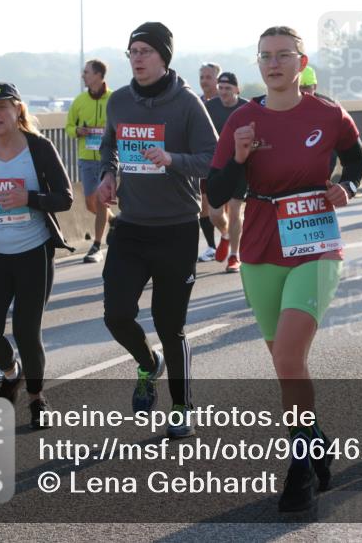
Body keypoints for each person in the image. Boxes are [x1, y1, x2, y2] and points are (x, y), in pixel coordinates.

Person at [208, 25, 362, 511]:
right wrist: (238, 156)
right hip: (259, 245)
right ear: (259, 65)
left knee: (290, 356)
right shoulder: (243, 118)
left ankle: (299, 465)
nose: (274, 64)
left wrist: (349, 188)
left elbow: (356, 162)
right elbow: (215, 194)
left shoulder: (328, 113)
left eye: (283, 55)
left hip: (316, 243)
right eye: (266, 57)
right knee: (285, 364)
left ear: (301, 62)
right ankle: (316, 440)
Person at [98, 22, 217, 439]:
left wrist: (171, 158)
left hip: (177, 229)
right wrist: (107, 175)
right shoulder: (119, 102)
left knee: (170, 326)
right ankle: (148, 364)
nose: (137, 58)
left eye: (145, 51)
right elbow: (109, 146)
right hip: (130, 227)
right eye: (132, 51)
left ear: (164, 57)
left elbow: (212, 157)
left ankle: (182, 405)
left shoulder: (186, 103)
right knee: (116, 315)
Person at [0, 82, 73, 431]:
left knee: (27, 332)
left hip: (33, 252)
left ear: (17, 111)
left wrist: (30, 198)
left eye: (1, 108)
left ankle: (37, 398)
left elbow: (65, 198)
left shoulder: (38, 148)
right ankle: (12, 372)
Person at [66, 58, 113, 264]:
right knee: (90, 203)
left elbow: (122, 126)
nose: (83, 75)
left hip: (107, 159)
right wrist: (78, 130)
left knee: (102, 201)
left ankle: (96, 245)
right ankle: (114, 220)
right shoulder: (79, 101)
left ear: (98, 75)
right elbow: (68, 127)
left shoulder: (114, 99)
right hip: (86, 157)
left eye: (86, 72)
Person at [205, 71, 249, 272]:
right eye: (220, 88)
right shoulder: (209, 107)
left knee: (234, 209)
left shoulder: (247, 109)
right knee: (214, 213)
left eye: (228, 88)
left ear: (237, 89)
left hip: (240, 166)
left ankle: (234, 255)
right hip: (216, 166)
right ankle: (225, 234)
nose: (223, 92)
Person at [197, 63, 222, 260]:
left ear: (217, 80)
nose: (204, 81)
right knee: (204, 205)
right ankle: (212, 246)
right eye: (202, 77)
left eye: (208, 77)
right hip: (203, 163)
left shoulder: (226, 102)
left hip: (225, 164)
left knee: (224, 209)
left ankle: (229, 239)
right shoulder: (196, 103)